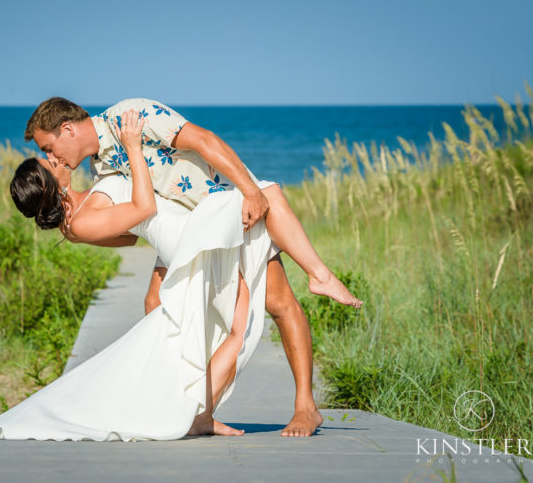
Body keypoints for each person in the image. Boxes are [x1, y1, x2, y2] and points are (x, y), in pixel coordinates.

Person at [25, 97, 363, 436]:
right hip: (185, 231)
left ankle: (305, 406)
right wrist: (70, 221)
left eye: (48, 147)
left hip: (221, 210)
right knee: (156, 305)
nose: (51, 157)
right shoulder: (100, 167)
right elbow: (130, 232)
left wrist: (249, 191)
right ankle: (187, 409)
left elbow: (205, 141)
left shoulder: (132, 117)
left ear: (67, 129)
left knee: (278, 303)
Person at [0, 110, 275, 440]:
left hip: (179, 237)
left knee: (210, 330)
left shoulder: (80, 209)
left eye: (50, 155)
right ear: (50, 187)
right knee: (239, 327)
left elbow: (129, 232)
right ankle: (199, 416)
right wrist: (134, 147)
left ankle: (197, 413)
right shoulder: (78, 223)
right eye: (50, 164)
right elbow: (143, 210)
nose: (55, 159)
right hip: (187, 238)